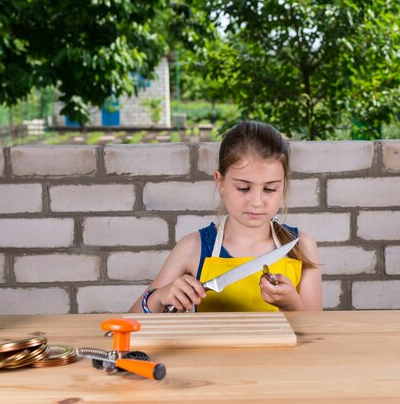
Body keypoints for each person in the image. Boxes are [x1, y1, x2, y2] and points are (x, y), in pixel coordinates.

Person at [130, 120, 322, 313]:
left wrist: (291, 305)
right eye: (244, 188)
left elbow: (317, 335)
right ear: (220, 181)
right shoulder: (192, 248)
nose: (256, 201)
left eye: (270, 189)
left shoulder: (301, 247)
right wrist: (160, 296)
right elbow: (130, 321)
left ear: (284, 185)